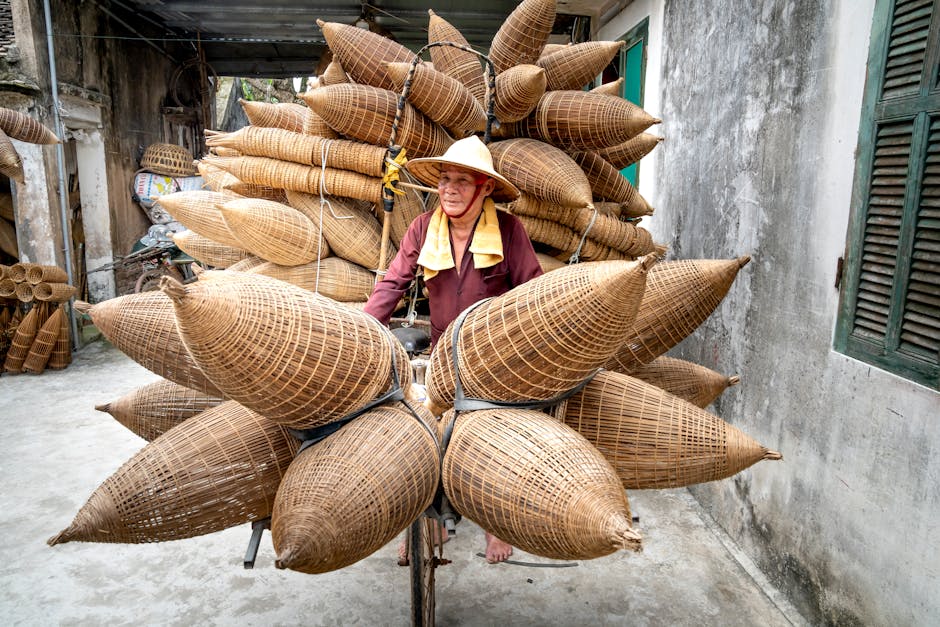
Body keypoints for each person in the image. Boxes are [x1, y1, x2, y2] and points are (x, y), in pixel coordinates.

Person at [364, 135, 543, 563]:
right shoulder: (423, 228)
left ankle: (494, 525)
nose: (449, 189)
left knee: (493, 436)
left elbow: (533, 291)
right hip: (444, 350)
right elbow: (394, 281)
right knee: (430, 428)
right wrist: (365, 327)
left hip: (493, 351)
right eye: (445, 179)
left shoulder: (508, 231)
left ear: (485, 188)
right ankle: (429, 521)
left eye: (462, 181)